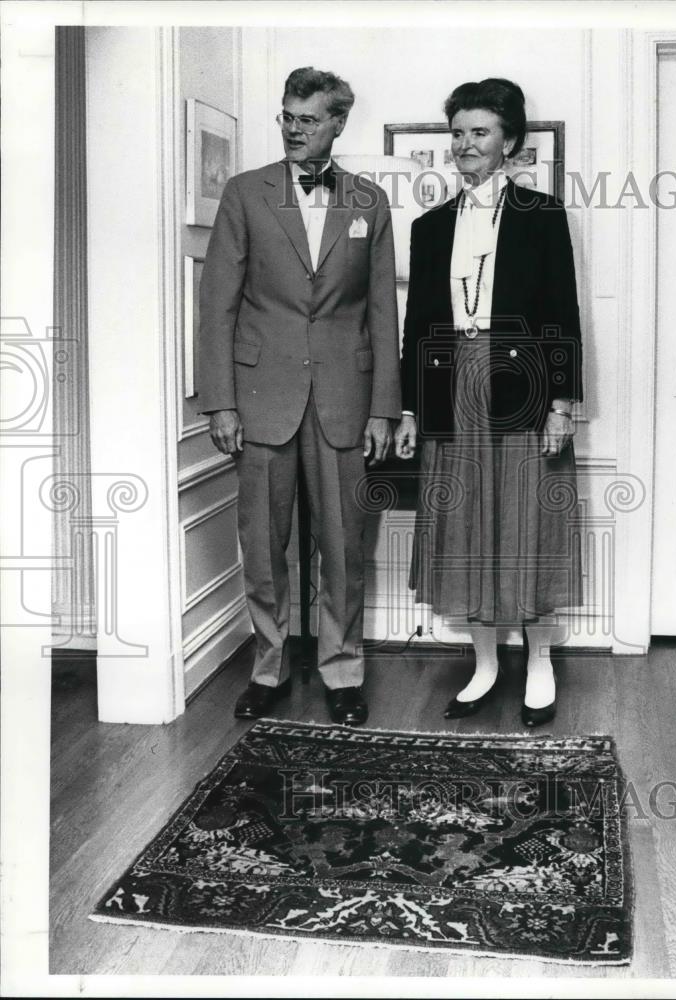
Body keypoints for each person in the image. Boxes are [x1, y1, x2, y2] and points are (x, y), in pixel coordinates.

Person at [199, 67, 401, 726]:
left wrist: (383, 408)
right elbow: (217, 306)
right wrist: (220, 401)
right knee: (263, 545)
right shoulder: (244, 193)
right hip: (261, 397)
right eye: (287, 116)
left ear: (339, 123)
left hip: (346, 396)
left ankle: (343, 672)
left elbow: (380, 312)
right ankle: (268, 666)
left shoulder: (368, 202)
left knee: (344, 546)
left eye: (308, 119)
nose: (293, 129)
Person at [395, 78, 583, 727]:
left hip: (523, 389)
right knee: (465, 531)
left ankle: (538, 664)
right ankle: (483, 666)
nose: (465, 144)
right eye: (458, 133)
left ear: (509, 141)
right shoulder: (429, 226)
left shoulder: (543, 215)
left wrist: (562, 402)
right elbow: (417, 324)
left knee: (525, 527)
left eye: (479, 132)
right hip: (453, 393)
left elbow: (562, 314)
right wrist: (413, 410)